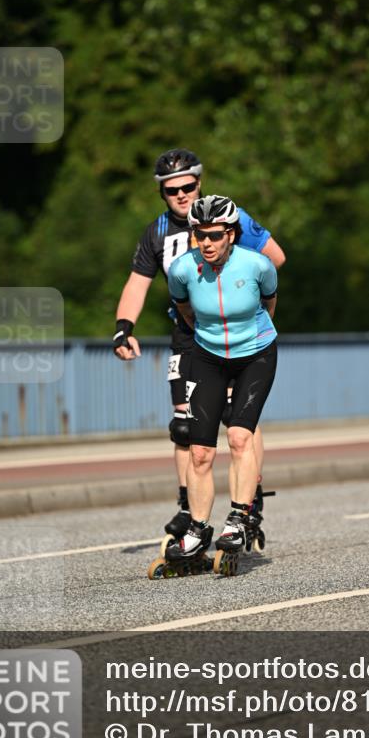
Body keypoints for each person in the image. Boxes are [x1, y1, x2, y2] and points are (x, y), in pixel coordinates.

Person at [112, 149, 285, 543]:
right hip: (188, 335)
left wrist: (239, 286)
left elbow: (274, 258)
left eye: (188, 186)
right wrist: (123, 328)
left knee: (239, 421)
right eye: (172, 190)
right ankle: (189, 507)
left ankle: (249, 501)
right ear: (162, 193)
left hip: (237, 333)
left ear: (199, 183)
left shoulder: (227, 217)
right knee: (184, 426)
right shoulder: (156, 233)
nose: (181, 195)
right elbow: (138, 282)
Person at [165, 195, 278, 561]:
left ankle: (240, 517)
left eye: (214, 235)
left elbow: (269, 304)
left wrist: (247, 336)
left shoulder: (258, 265)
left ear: (230, 233)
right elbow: (184, 309)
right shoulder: (182, 270)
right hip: (209, 357)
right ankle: (198, 530)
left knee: (239, 436)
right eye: (200, 235)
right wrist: (209, 337)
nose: (207, 243)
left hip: (256, 354)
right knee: (199, 451)